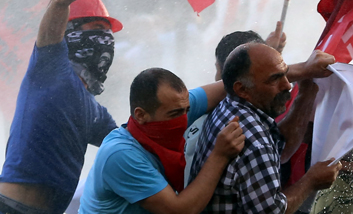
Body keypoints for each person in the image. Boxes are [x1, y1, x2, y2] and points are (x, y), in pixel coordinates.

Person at [0, 0, 167, 214]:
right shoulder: (49, 65)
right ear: (69, 30)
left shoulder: (95, 112)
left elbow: (131, 146)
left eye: (108, 32)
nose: (106, 39)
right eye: (97, 27)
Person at [192, 43, 340, 214]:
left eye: (285, 74)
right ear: (242, 89)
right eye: (274, 79)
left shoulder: (232, 104)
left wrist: (306, 93)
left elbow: (280, 148)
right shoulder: (253, 139)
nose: (287, 85)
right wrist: (311, 181)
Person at [78, 68, 243, 214]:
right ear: (141, 115)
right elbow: (180, 210)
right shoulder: (121, 155)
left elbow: (227, 86)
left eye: (186, 111)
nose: (183, 121)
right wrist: (220, 155)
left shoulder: (175, 107)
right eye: (175, 114)